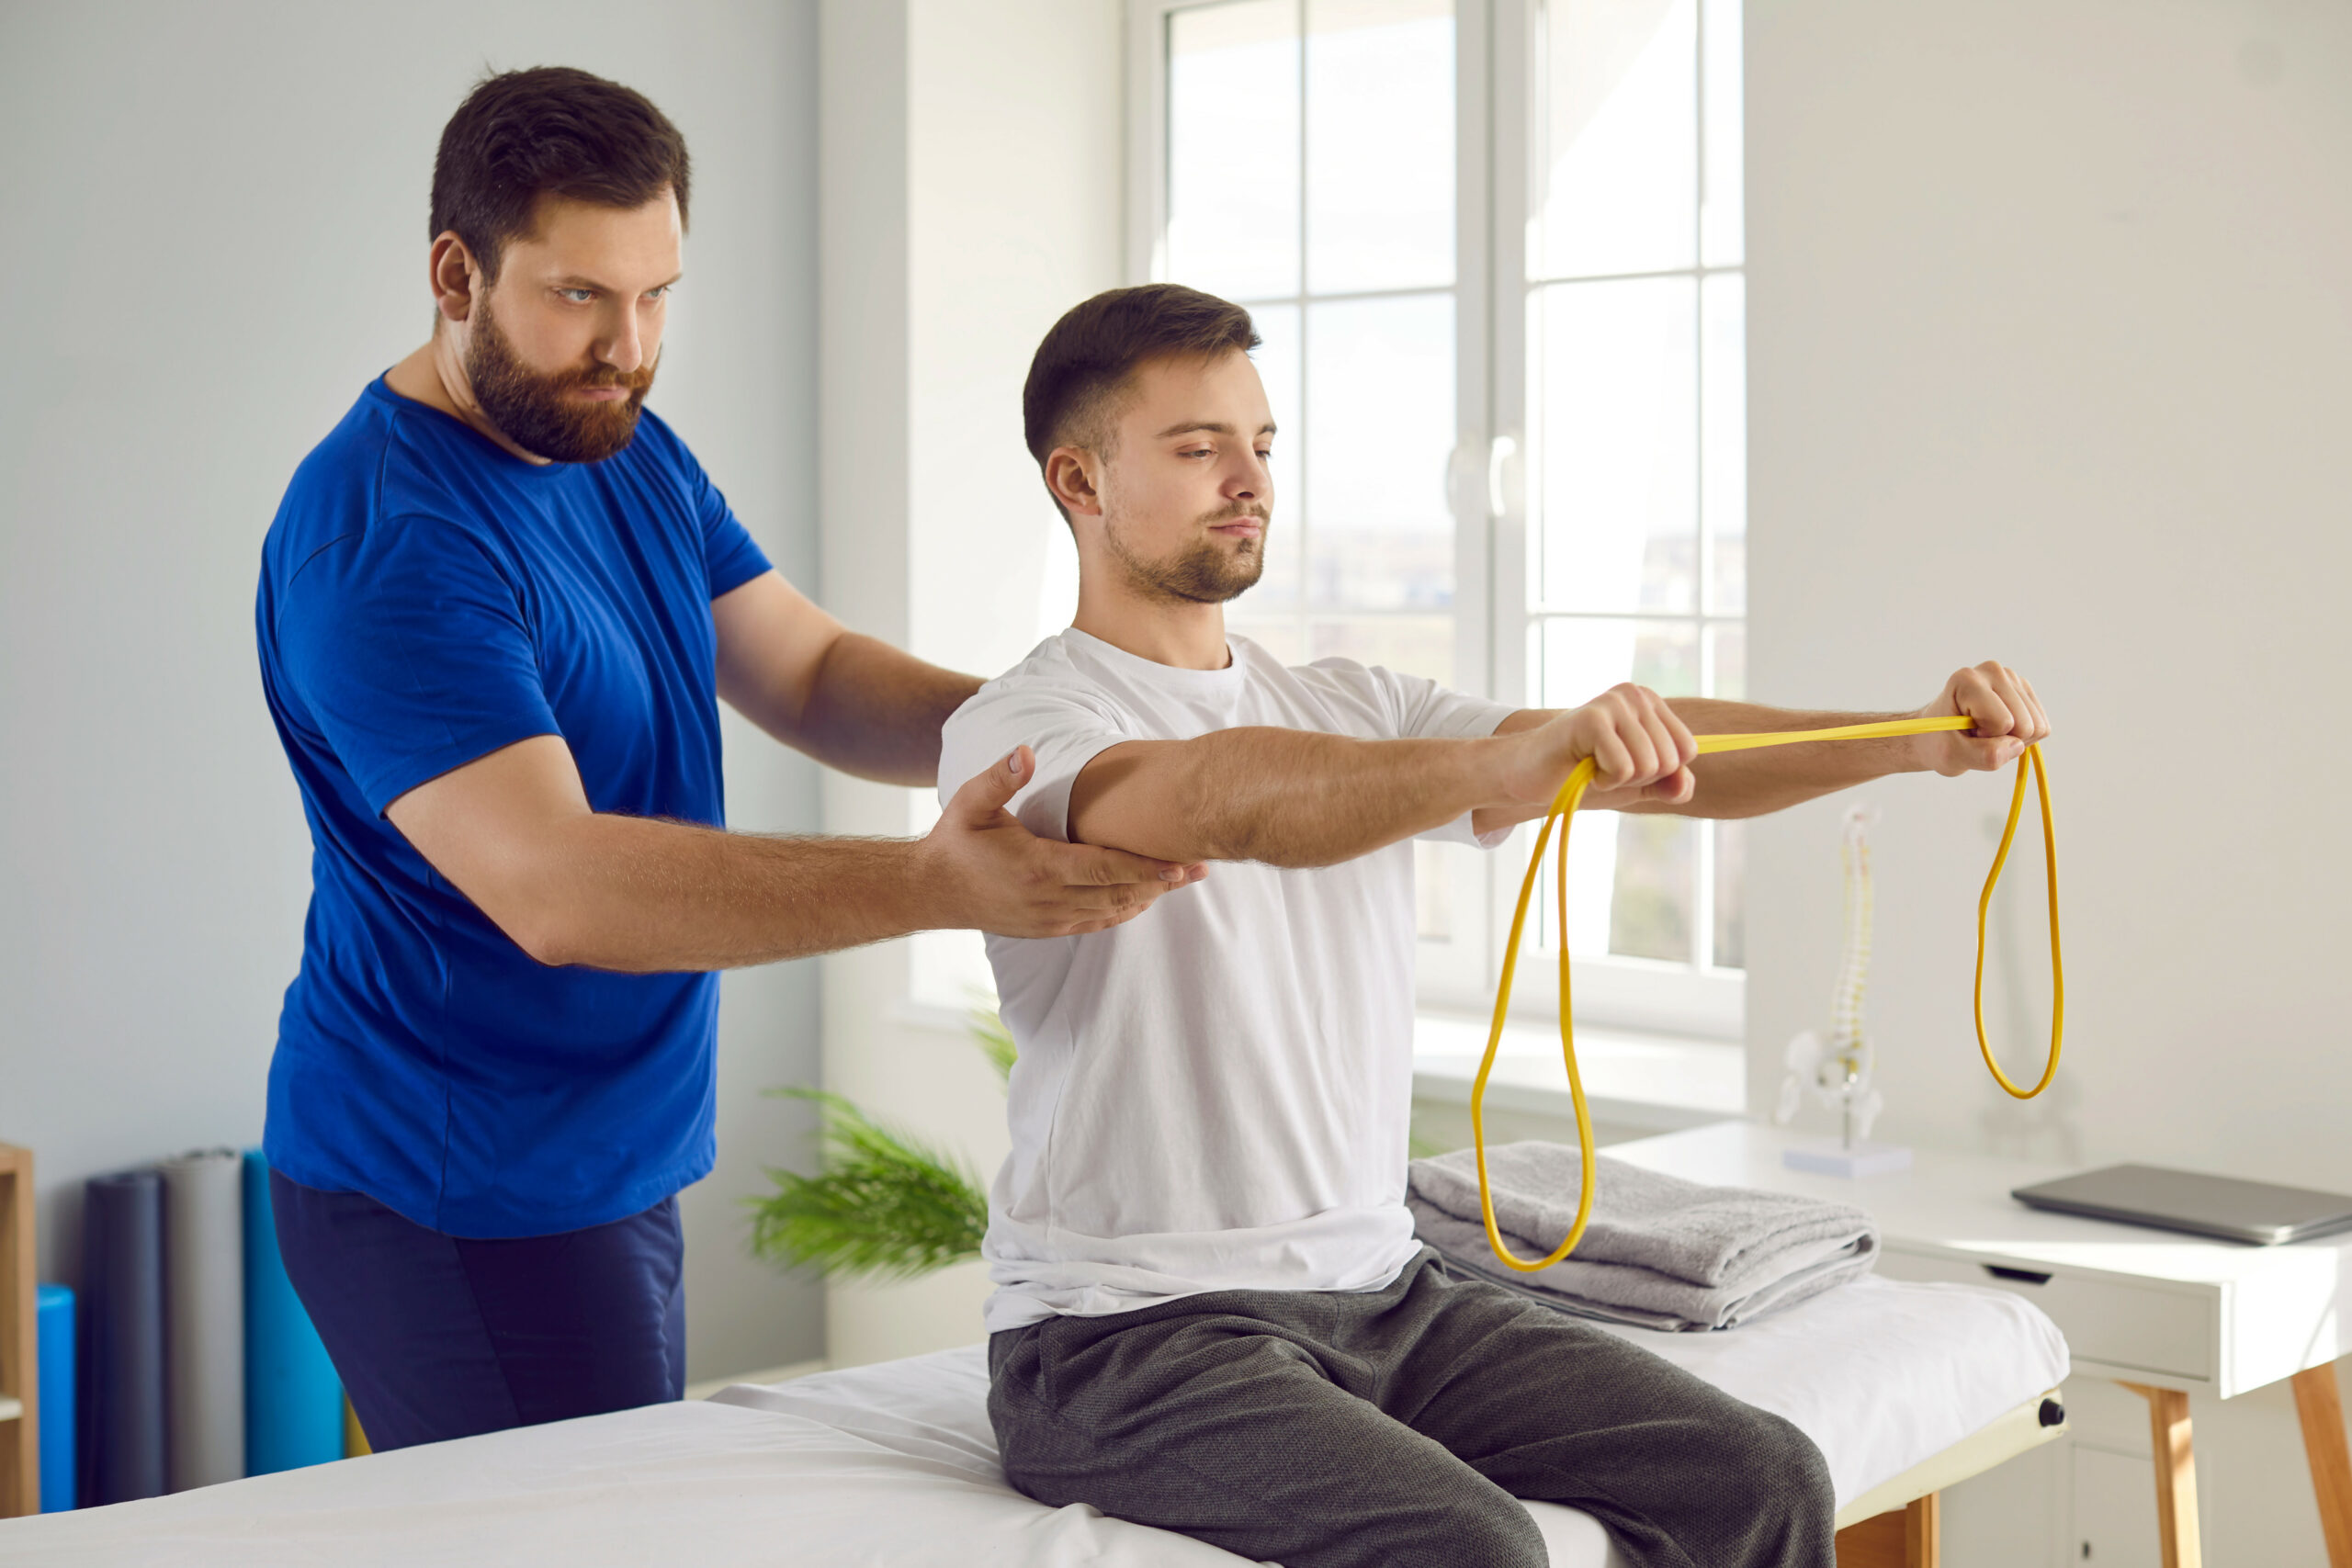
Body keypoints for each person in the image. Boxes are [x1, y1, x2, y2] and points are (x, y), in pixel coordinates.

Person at [939, 283, 2054, 1568]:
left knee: (1758, 1477)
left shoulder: (1354, 698)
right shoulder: (1025, 726)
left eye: (1263, 444)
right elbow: (1220, 799)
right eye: (1199, 449)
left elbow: (1653, 758)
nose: (1249, 480)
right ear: (1077, 481)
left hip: (1386, 1298)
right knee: (1470, 1547)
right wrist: (1499, 769)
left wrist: (1907, 740)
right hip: (1121, 1341)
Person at [252, 68, 1201, 1453]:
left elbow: (809, 674)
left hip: (612, 1144)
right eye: (581, 295)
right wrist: (940, 883)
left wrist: (1068, 733)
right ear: (456, 273)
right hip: (451, 1183)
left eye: (658, 298)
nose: (628, 346)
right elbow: (562, 890)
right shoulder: (387, 537)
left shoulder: (611, 439)